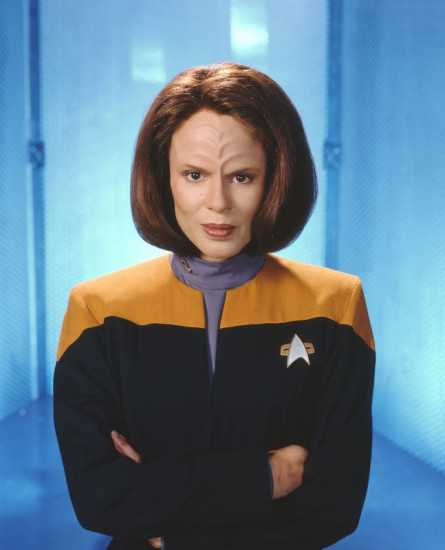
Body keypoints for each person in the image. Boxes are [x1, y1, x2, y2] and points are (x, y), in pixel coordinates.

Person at [53, 62, 375, 550]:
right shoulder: (97, 311)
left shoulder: (336, 305)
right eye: (194, 174)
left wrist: (168, 523)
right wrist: (267, 477)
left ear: (276, 178)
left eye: (242, 176)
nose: (218, 202)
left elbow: (334, 505)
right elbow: (100, 498)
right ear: (163, 178)